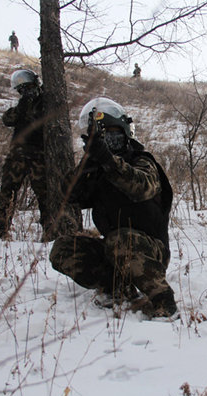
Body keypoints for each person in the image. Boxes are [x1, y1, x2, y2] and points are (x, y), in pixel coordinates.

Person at [49, 97, 176, 318]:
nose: (109, 139)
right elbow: (68, 196)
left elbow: (141, 187)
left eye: (113, 132)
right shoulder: (97, 171)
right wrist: (87, 163)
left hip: (148, 253)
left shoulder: (142, 161)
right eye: (103, 136)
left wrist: (108, 160)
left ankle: (164, 302)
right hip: (114, 249)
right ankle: (117, 289)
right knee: (63, 248)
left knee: (121, 240)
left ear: (126, 131)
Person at [0, 70, 48, 240]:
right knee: (7, 192)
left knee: (44, 195)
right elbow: (7, 119)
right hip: (17, 156)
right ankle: (1, 230)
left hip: (38, 156)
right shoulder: (21, 106)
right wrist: (22, 107)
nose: (27, 92)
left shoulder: (45, 103)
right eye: (23, 90)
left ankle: (49, 232)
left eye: (29, 88)